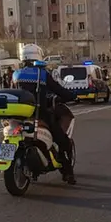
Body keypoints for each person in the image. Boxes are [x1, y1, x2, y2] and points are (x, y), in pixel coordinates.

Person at [12, 44, 79, 185]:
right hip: (40, 114)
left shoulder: (16, 74)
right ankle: (68, 173)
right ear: (38, 56)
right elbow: (58, 90)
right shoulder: (41, 74)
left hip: (19, 117)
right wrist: (72, 95)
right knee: (62, 141)